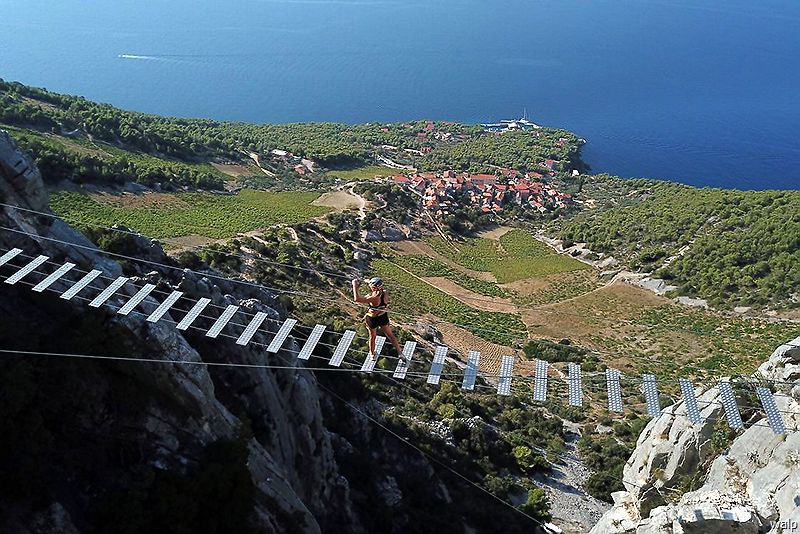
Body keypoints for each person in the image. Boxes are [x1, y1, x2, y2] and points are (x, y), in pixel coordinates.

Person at [351, 277, 405, 362]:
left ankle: (372, 354)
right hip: (383, 316)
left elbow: (357, 299)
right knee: (391, 335)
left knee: (372, 336)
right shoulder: (384, 292)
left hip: (372, 318)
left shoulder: (373, 297)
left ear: (374, 287)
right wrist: (368, 281)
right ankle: (400, 353)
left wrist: (355, 286)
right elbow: (375, 286)